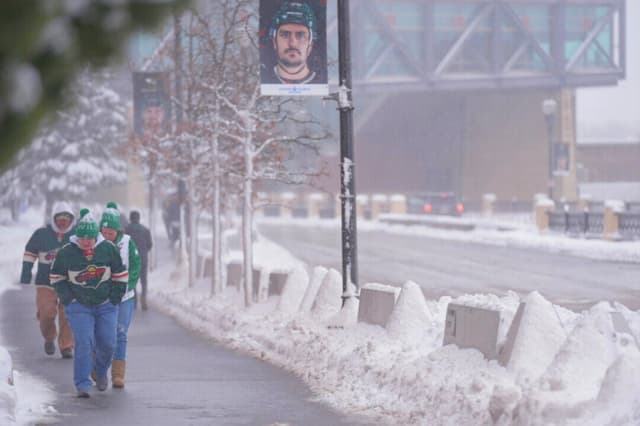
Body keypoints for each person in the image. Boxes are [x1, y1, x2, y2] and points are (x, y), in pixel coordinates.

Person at [50, 208, 128, 398]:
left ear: (96, 237)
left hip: (105, 305)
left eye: (90, 239)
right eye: (82, 238)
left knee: (109, 343)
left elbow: (120, 274)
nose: (86, 242)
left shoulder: (108, 249)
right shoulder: (67, 252)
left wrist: (115, 297)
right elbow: (56, 277)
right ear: (77, 237)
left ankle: (100, 371)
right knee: (84, 342)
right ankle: (82, 383)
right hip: (79, 306)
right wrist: (69, 299)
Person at [21, 201, 76, 358]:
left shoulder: (76, 236)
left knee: (68, 314)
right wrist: (26, 273)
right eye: (60, 217)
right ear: (54, 218)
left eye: (67, 217)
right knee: (46, 313)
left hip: (68, 282)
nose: (63, 221)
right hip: (46, 282)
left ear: (72, 220)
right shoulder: (41, 234)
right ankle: (49, 337)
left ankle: (66, 345)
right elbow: (30, 253)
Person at [99, 202, 140, 388]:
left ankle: (118, 374)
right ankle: (98, 368)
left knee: (120, 333)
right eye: (105, 232)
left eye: (111, 233)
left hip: (124, 297)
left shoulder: (127, 243)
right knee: (102, 335)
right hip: (102, 297)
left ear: (118, 231)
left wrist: (127, 286)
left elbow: (135, 267)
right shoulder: (95, 242)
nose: (107, 236)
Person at [264, 1, 324, 85]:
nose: (292, 43)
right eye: (285, 35)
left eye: (300, 35)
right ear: (274, 42)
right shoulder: (261, 81)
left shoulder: (324, 82)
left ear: (310, 45)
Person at [125, 209, 153, 311]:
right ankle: (143, 297)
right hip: (143, 258)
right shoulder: (146, 230)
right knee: (144, 280)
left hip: (131, 259)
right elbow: (150, 245)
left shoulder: (126, 230)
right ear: (139, 218)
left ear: (130, 218)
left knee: (133, 280)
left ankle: (134, 300)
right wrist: (144, 251)